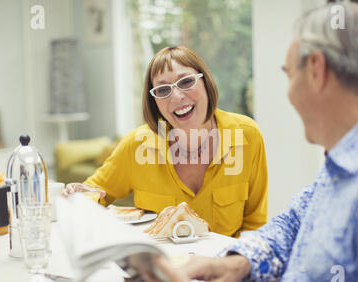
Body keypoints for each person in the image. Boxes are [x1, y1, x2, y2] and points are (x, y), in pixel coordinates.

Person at [142, 3, 358, 282]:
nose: (288, 93)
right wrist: (239, 262)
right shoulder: (350, 160)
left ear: (316, 70)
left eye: (288, 75)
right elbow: (294, 225)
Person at [63, 45, 269, 237]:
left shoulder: (246, 135)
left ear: (206, 81)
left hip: (224, 267)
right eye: (163, 90)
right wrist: (76, 195)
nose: (177, 96)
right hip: (161, 269)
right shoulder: (137, 144)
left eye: (186, 81)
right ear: (154, 102)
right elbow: (93, 195)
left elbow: (256, 223)